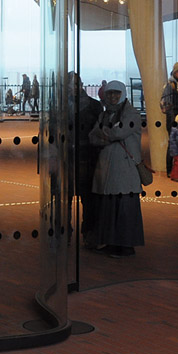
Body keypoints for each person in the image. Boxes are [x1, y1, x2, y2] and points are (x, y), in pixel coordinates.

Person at [88, 80, 145, 257]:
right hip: (109, 168)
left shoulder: (132, 114)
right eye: (110, 93)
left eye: (116, 93)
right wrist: (107, 134)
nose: (113, 97)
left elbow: (118, 133)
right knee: (111, 207)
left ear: (123, 94)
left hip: (124, 168)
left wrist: (103, 134)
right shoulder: (106, 115)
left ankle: (126, 245)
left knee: (124, 207)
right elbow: (92, 137)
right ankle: (113, 242)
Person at [67, 72, 103, 249]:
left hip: (86, 157)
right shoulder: (60, 106)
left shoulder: (94, 106)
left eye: (76, 84)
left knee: (88, 198)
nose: (74, 87)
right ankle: (65, 232)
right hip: (70, 157)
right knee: (65, 197)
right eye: (70, 84)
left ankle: (88, 232)